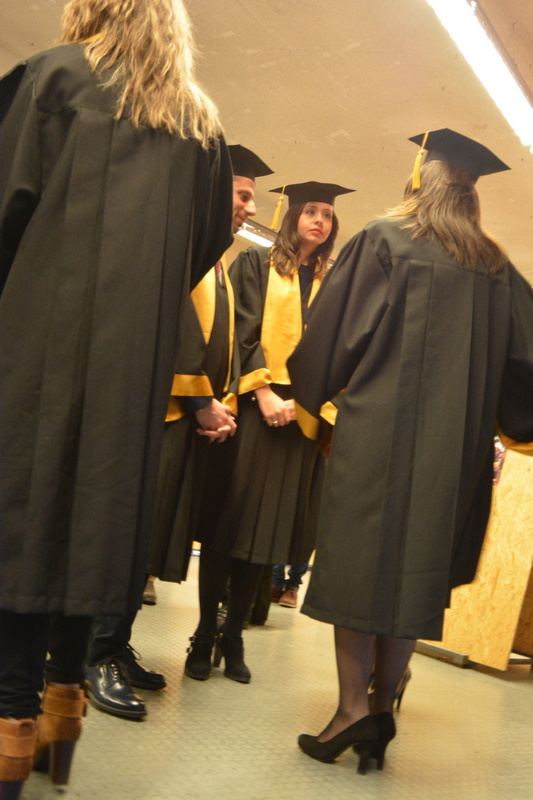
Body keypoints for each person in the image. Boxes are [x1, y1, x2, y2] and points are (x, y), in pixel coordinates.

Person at [0, 0, 232, 795]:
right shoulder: (199, 125)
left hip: (34, 349)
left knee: (25, 533)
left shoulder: (53, 78)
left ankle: (11, 730)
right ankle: (61, 727)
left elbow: (7, 206)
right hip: (132, 368)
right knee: (90, 536)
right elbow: (201, 244)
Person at [287, 128, 533, 773]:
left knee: (359, 569)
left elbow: (331, 338)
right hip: (454, 454)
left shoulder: (385, 239)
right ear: (471, 193)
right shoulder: (496, 268)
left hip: (378, 438)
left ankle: (351, 710)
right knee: (413, 574)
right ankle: (383, 707)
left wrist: (317, 386)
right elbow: (526, 363)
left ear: (422, 179)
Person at [84, 144, 272, 720]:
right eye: (243, 195)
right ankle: (91, 655)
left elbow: (224, 339)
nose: (250, 208)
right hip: (158, 414)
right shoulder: (181, 244)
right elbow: (175, 328)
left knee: (150, 539)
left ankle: (115, 644)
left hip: (187, 419)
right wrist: (200, 402)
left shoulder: (214, 259)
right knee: (128, 539)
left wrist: (219, 403)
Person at [185, 181, 353, 683]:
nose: (319, 220)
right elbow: (241, 329)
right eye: (311, 211)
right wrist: (263, 393)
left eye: (327, 214)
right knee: (228, 526)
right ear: (293, 215)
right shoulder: (256, 264)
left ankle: (234, 636)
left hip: (300, 419)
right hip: (252, 411)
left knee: (267, 535)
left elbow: (338, 349)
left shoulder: (335, 282)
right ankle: (203, 634)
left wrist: (306, 402)